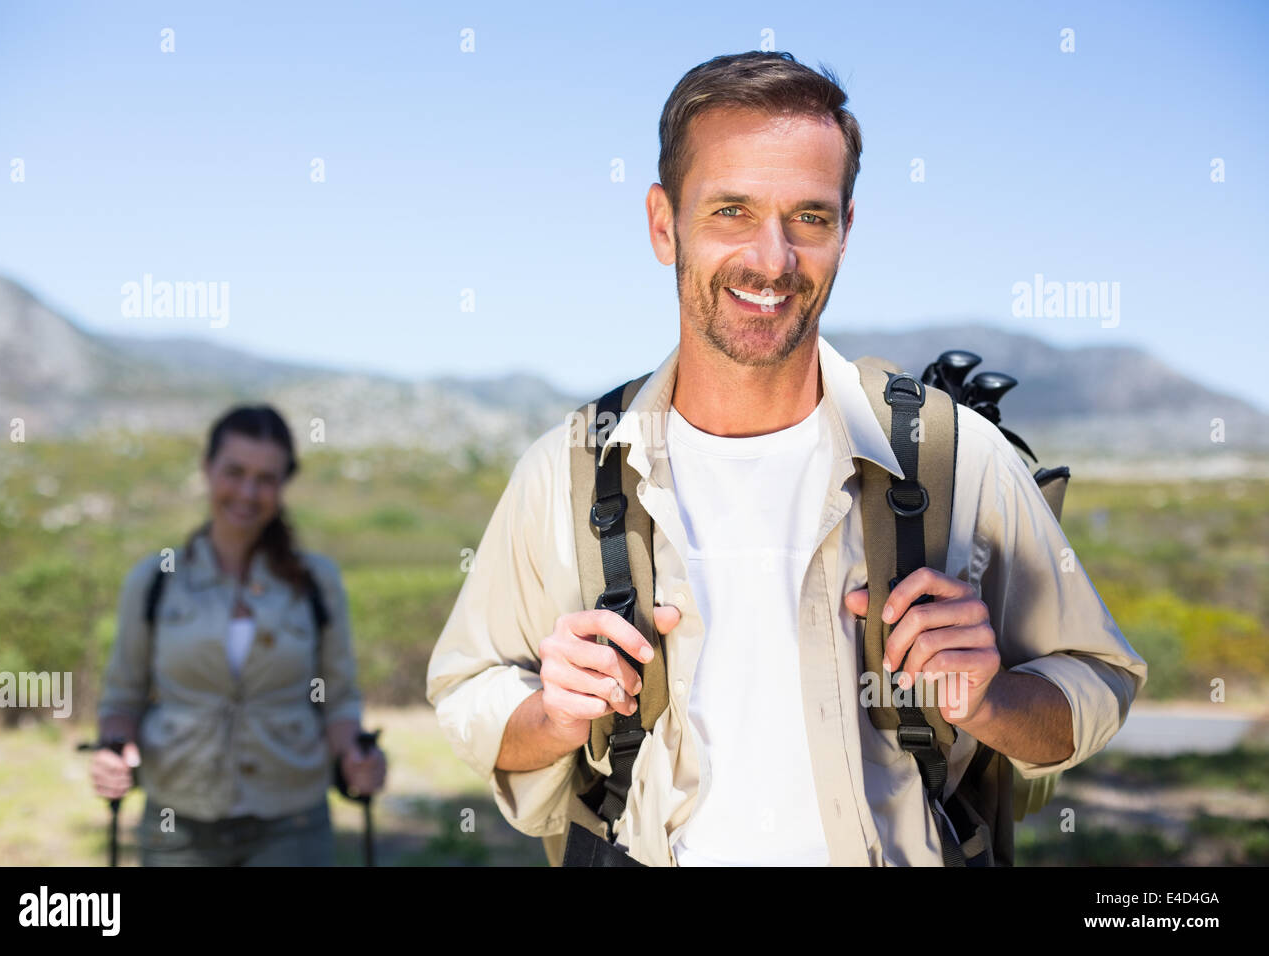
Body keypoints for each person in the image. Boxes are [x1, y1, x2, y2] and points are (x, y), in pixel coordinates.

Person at [426, 51, 1147, 866]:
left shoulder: (955, 459)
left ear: (846, 229)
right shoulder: (565, 472)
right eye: (732, 210)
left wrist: (992, 699)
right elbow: (467, 691)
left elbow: (1096, 679)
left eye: (809, 217)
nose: (773, 261)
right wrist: (551, 718)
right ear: (664, 225)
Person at [90, 404, 386, 866]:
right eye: (235, 472)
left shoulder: (317, 581)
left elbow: (340, 700)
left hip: (294, 823)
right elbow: (121, 700)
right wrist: (114, 748)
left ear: (283, 485)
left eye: (266, 478)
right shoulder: (154, 580)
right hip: (177, 823)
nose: (248, 491)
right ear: (207, 469)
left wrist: (355, 755)